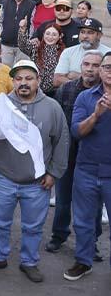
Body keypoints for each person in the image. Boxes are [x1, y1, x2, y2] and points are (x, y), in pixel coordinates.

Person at [0, 60, 69, 283]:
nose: (23, 83)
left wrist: (53, 173)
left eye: (29, 78)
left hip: (37, 182)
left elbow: (62, 142)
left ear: (38, 80)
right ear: (13, 81)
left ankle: (29, 261)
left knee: (33, 226)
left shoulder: (52, 108)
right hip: (5, 176)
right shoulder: (1, 103)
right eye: (18, 79)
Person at [48, 51, 105, 260]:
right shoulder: (67, 89)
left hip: (93, 159)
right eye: (86, 64)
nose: (90, 69)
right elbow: (58, 124)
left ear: (102, 69)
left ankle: (92, 243)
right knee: (63, 200)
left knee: (94, 206)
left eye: (95, 65)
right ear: (80, 66)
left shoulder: (105, 93)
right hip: (69, 155)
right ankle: (59, 235)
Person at [64, 51, 111, 281]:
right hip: (87, 169)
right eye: (108, 67)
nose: (110, 72)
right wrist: (96, 115)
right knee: (83, 222)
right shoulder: (85, 97)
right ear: (101, 71)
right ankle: (83, 261)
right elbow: (77, 132)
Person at [53, 18, 111, 89]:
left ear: (99, 35)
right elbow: (57, 80)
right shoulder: (68, 52)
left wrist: (79, 76)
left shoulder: (108, 54)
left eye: (90, 33)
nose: (85, 36)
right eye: (82, 32)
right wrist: (88, 80)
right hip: (73, 93)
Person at [18, 23, 66, 95]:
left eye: (54, 35)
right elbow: (23, 45)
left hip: (55, 92)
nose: (50, 37)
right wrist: (22, 30)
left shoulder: (65, 53)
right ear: (43, 34)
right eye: (48, 34)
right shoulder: (36, 48)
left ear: (60, 36)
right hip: (35, 90)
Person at [0, 0, 33, 66]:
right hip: (6, 45)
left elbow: (33, 24)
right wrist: (1, 34)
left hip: (23, 47)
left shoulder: (32, 5)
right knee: (5, 69)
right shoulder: (6, 3)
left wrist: (29, 39)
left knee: (22, 68)